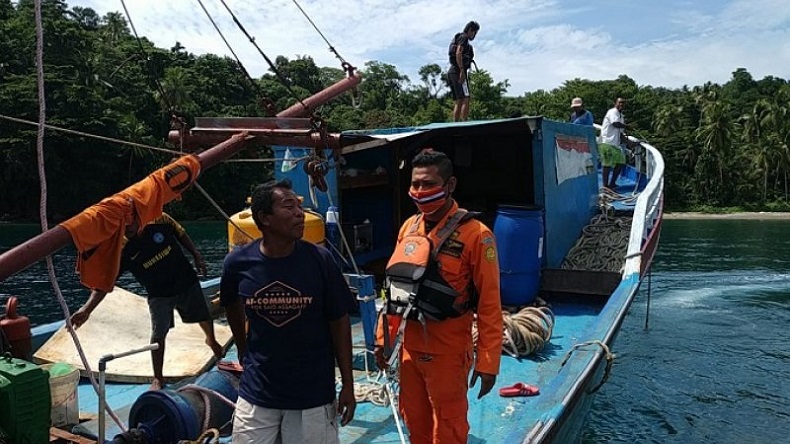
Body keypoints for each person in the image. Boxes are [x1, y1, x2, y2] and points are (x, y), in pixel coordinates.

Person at [374, 149, 503, 444]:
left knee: (448, 425)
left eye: (429, 184)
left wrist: (487, 363)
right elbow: (394, 290)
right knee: (414, 418)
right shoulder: (409, 228)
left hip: (448, 350)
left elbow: (489, 303)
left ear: (450, 185)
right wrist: (384, 340)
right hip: (408, 347)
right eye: (416, 184)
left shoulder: (477, 235)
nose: (420, 191)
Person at [220, 179, 356, 444]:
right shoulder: (238, 263)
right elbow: (230, 303)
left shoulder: (320, 260)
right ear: (264, 218)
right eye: (288, 206)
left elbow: (339, 320)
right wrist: (242, 347)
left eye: (299, 207)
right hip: (257, 392)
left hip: (312, 396)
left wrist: (348, 384)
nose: (299, 213)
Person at [71, 212, 223, 390]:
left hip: (185, 279)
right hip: (159, 293)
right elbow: (106, 283)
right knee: (158, 334)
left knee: (203, 315)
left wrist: (196, 255)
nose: (128, 229)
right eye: (123, 228)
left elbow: (180, 232)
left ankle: (211, 341)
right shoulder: (121, 249)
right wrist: (87, 309)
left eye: (130, 224)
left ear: (137, 218)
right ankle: (158, 377)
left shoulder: (159, 219)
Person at [448, 21, 480, 122]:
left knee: (463, 98)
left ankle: (461, 123)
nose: (475, 36)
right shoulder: (464, 37)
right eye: (475, 33)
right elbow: (458, 53)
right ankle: (459, 124)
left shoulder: (466, 43)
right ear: (471, 30)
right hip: (456, 71)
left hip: (457, 71)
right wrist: (461, 70)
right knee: (462, 98)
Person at [599, 97, 628, 189]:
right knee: (607, 165)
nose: (621, 105)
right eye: (620, 103)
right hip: (606, 142)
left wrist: (630, 142)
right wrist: (627, 126)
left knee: (620, 162)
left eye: (623, 103)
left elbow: (621, 133)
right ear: (616, 103)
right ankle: (605, 186)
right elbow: (615, 124)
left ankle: (612, 183)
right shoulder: (612, 112)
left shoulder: (621, 116)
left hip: (615, 144)